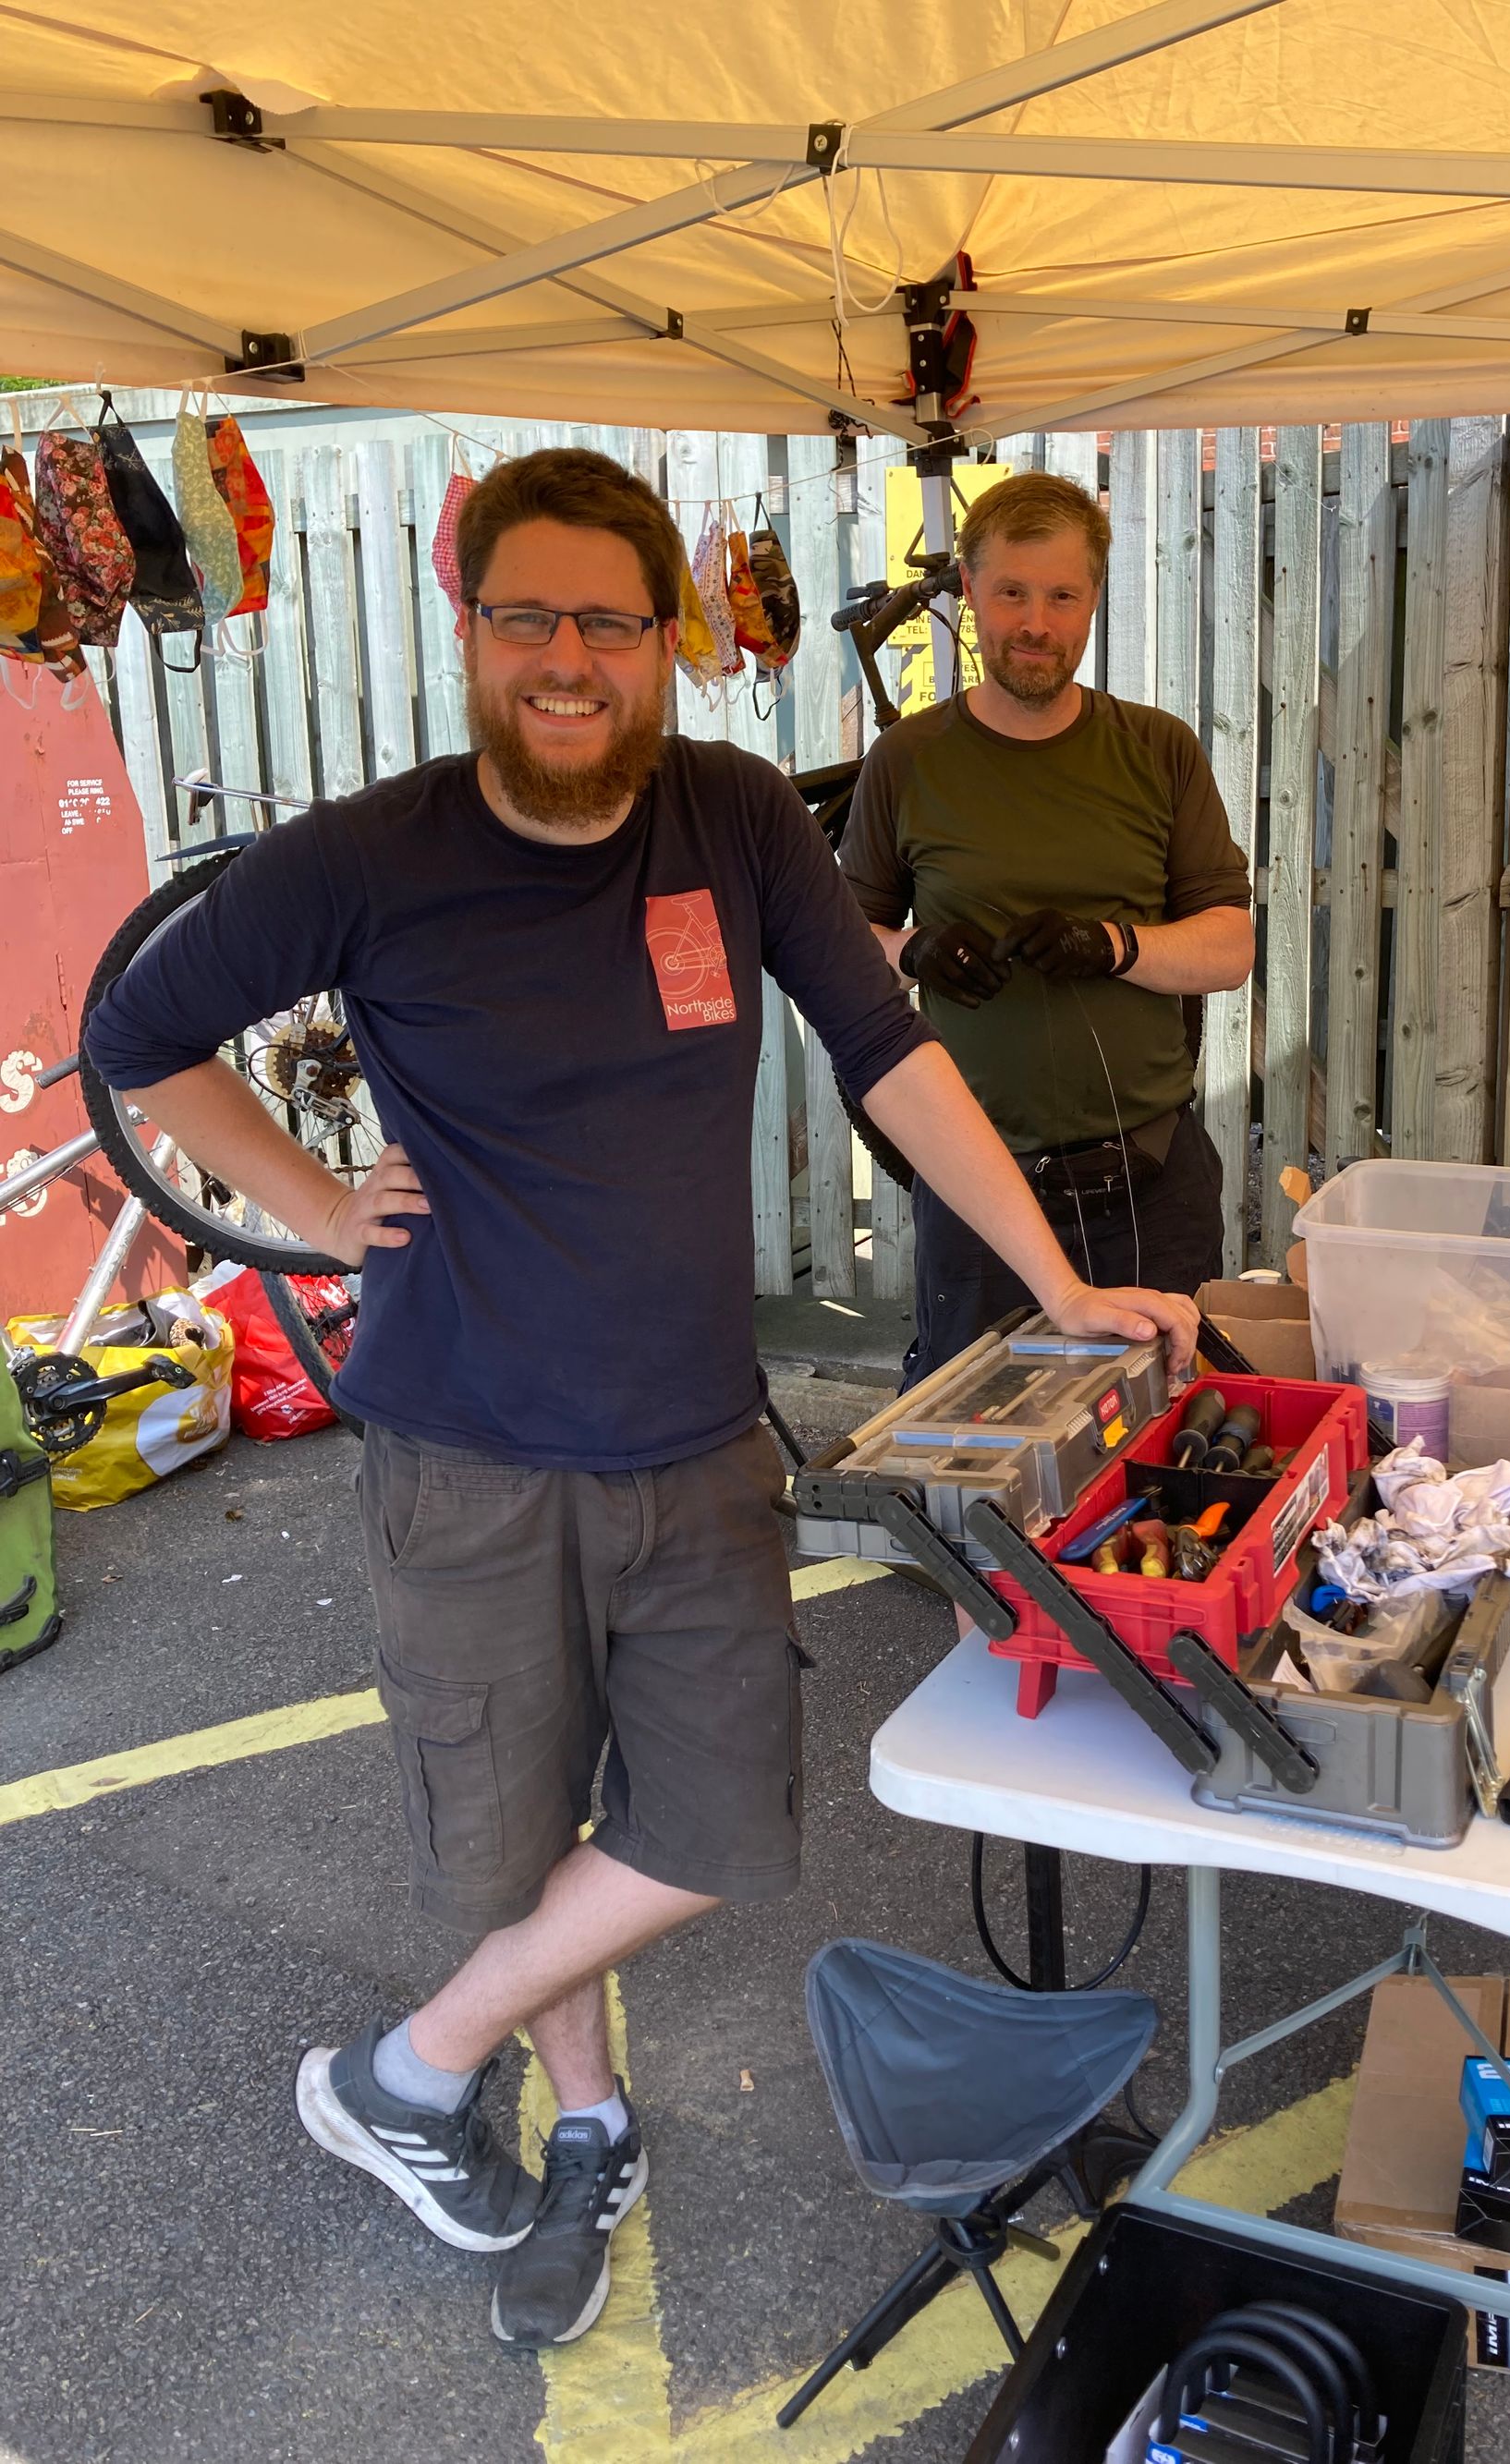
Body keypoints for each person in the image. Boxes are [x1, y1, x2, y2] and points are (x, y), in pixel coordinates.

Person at [83, 448, 1198, 2358]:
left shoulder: (735, 816)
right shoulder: (371, 853)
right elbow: (138, 1037)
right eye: (528, 615)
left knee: (715, 1821)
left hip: (692, 1437)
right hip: (467, 1450)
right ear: (471, 628)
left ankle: (408, 2071)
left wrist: (1056, 1281)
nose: (568, 658)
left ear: (667, 636)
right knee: (512, 1847)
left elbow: (889, 1049)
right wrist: (318, 1208)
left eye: (609, 620)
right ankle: (583, 2122)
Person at [839, 470, 1255, 1384]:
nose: (1035, 623)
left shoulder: (1157, 750)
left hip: (1152, 1177)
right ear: (968, 592)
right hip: (978, 1188)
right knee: (974, 1432)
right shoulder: (907, 759)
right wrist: (911, 951)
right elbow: (836, 949)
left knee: (1170, 1420)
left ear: (1093, 599)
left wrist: (1112, 945)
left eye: (1061, 596)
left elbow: (1230, 946)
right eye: (1010, 593)